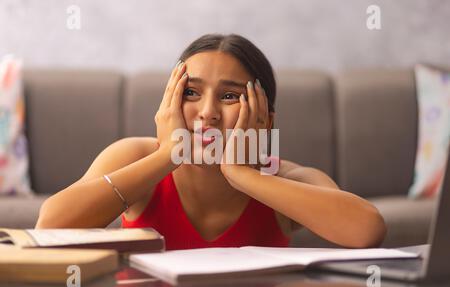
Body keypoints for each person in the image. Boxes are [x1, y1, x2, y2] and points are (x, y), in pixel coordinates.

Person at [35, 34, 386, 250]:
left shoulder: (282, 177)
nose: (208, 113)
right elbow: (49, 229)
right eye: (191, 92)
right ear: (169, 103)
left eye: (230, 96)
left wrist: (243, 174)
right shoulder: (134, 156)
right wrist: (167, 157)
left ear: (266, 119)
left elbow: (367, 230)